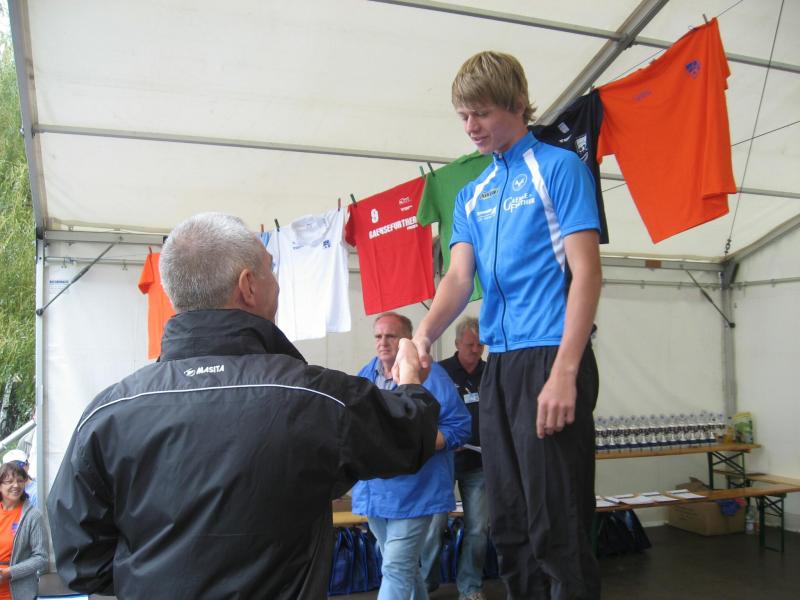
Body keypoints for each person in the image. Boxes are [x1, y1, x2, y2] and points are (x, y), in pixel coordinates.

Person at [47, 212, 442, 600]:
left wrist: (151, 580)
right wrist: (410, 379)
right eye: (272, 270)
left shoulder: (110, 412)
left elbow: (80, 556)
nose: (278, 284)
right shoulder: (313, 396)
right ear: (248, 286)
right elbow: (409, 436)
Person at [405, 51, 602, 599]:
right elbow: (457, 278)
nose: (471, 126)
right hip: (500, 367)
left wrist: (565, 372)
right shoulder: (473, 193)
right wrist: (422, 335)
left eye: (482, 113)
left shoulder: (559, 168)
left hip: (552, 355)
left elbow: (587, 274)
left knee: (557, 524)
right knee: (509, 524)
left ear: (517, 104)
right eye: (463, 116)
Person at [352, 312, 471, 600]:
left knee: (395, 567)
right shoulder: (366, 375)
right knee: (401, 565)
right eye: (378, 336)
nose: (383, 342)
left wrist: (412, 442)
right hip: (375, 491)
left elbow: (459, 427)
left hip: (416, 490)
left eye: (391, 336)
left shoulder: (432, 377)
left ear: (407, 339)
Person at [420, 316, 488, 600]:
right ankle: (424, 585)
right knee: (433, 527)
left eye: (480, 345)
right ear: (458, 343)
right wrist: (448, 438)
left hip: (479, 464)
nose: (476, 350)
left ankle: (470, 587)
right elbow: (423, 413)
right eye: (470, 344)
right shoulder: (439, 372)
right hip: (443, 463)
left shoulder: (490, 372)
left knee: (478, 528)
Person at [0, 462, 48, 600]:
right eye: (9, 481)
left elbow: (41, 557)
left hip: (18, 593)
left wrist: (9, 572)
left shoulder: (33, 516)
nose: (16, 485)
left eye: (20, 481)